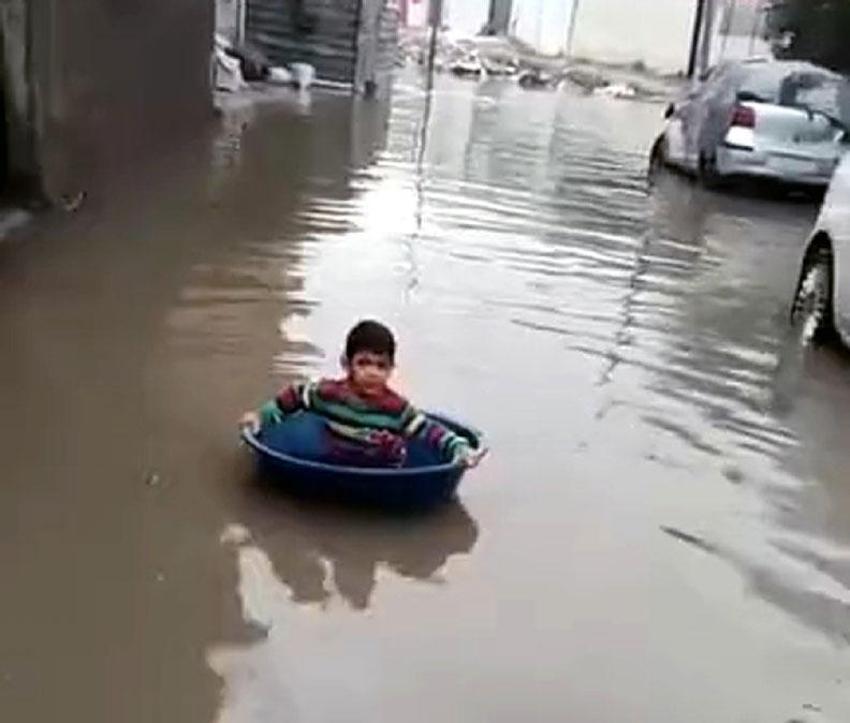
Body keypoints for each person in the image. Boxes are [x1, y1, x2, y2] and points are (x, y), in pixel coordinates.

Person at [239, 320, 485, 469]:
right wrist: (260, 418)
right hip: (334, 463)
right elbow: (291, 398)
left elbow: (431, 431)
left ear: (391, 370)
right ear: (347, 364)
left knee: (395, 448)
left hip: (382, 472)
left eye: (381, 366)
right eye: (364, 363)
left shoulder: (395, 409)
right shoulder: (328, 394)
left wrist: (460, 450)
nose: (372, 373)